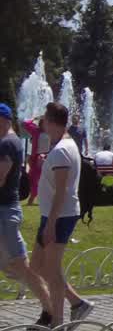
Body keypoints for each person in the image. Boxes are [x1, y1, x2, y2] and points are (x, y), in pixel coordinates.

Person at [30, 102, 93, 326]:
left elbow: (62, 191)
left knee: (52, 269)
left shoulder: (62, 151)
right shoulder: (62, 147)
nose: (42, 124)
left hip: (59, 216)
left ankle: (57, 322)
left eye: (44, 120)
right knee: (37, 265)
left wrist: (51, 224)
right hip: (53, 215)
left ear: (50, 122)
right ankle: (77, 303)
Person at [0, 104, 54, 326]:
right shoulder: (9, 141)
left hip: (5, 214)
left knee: (22, 266)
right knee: (18, 266)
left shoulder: (6, 143)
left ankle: (51, 310)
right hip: (5, 212)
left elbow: (0, 177)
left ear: (3, 119)